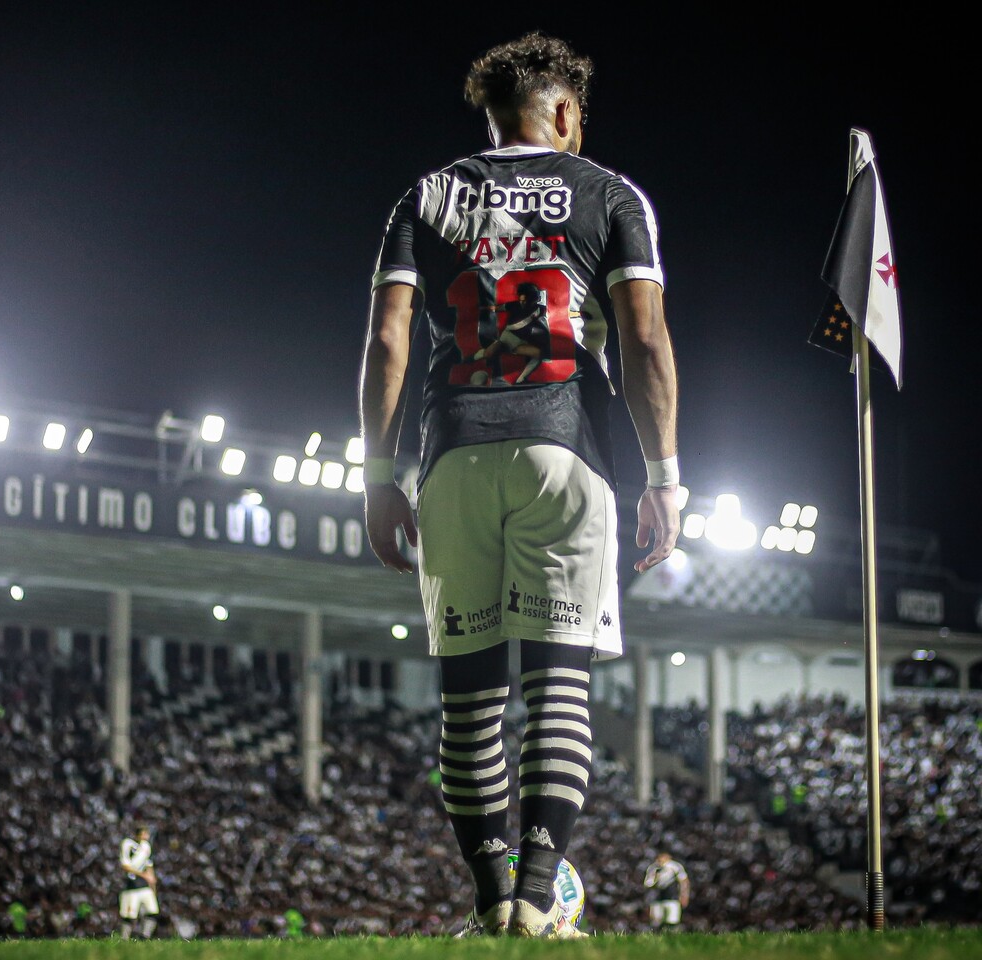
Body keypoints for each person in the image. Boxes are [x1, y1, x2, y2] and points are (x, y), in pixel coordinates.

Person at [360, 30, 680, 939]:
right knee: (559, 688)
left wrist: (381, 478)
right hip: (567, 447)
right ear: (566, 111)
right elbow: (647, 340)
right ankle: (539, 898)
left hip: (453, 448)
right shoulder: (610, 193)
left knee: (471, 700)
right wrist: (666, 477)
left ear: (494, 114)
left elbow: (388, 340)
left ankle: (493, 895)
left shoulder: (428, 195)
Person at [118, 825, 159, 939]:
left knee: (153, 911)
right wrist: (144, 875)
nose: (147, 836)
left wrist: (152, 881)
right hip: (132, 886)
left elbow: (148, 864)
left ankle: (145, 936)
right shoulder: (127, 844)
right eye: (145, 834)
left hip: (144, 886)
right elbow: (125, 866)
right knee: (129, 916)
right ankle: (124, 939)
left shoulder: (146, 846)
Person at [644, 852, 690, 929]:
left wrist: (684, 895)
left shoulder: (675, 866)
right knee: (656, 922)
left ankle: (672, 938)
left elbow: (684, 881)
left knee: (672, 921)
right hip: (657, 898)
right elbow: (648, 883)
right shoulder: (653, 868)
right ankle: (658, 938)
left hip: (672, 897)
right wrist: (655, 878)